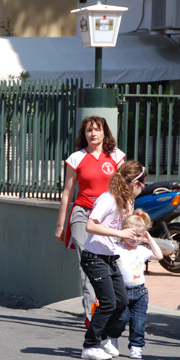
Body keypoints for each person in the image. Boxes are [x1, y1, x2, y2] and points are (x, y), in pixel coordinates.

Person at [55, 116, 125, 326]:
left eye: (97, 129)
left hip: (108, 218)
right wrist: (60, 225)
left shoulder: (116, 157)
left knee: (108, 263)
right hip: (81, 214)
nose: (93, 134)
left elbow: (124, 190)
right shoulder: (76, 158)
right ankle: (90, 315)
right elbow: (67, 192)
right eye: (88, 130)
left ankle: (106, 310)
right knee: (86, 265)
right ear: (83, 134)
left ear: (105, 132)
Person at [80, 160, 146, 360]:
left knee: (121, 302)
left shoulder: (122, 200)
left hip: (109, 257)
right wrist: (119, 231)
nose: (143, 189)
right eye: (143, 185)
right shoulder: (107, 199)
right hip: (94, 257)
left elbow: (125, 225)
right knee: (108, 302)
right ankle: (90, 345)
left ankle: (104, 338)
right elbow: (90, 226)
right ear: (134, 183)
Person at [112, 210, 163, 359]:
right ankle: (112, 338)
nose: (135, 239)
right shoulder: (117, 249)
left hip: (140, 292)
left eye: (139, 236)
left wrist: (150, 240)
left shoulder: (142, 250)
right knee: (121, 319)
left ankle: (136, 346)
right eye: (132, 235)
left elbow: (159, 256)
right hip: (122, 292)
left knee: (138, 322)